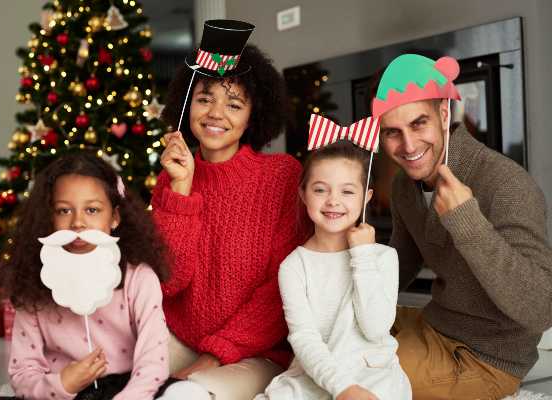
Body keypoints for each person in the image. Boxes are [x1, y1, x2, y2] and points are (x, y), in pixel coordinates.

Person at [373, 53, 552, 399]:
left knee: (356, 376)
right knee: (333, 341)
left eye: (418, 124)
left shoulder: (506, 184)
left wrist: (467, 223)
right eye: (392, 132)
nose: (408, 146)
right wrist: (352, 275)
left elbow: (541, 310)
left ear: (443, 114)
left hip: (485, 358)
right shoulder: (402, 186)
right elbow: (403, 261)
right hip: (435, 323)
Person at [152, 19, 305, 400]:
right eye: (204, 99)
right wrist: (182, 190)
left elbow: (283, 288)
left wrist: (216, 353)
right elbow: (168, 282)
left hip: (254, 352)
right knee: (105, 376)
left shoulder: (282, 176)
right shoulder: (170, 177)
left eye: (234, 103)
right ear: (187, 105)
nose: (216, 113)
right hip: (180, 337)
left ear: (254, 114)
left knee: (180, 397)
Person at [1, 152, 170, 399]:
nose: (78, 222)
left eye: (92, 210)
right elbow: (22, 373)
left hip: (132, 389)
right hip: (64, 393)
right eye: (63, 210)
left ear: (114, 217)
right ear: (49, 217)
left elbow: (153, 362)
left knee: (188, 393)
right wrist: (62, 385)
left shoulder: (139, 279)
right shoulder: (34, 284)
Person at [256, 139, 411, 400]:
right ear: (303, 193)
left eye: (347, 192)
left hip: (371, 373)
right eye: (320, 190)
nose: (333, 201)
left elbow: (375, 329)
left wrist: (363, 256)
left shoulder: (383, 258)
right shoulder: (294, 267)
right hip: (317, 372)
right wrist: (342, 388)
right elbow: (305, 339)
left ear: (366, 197)